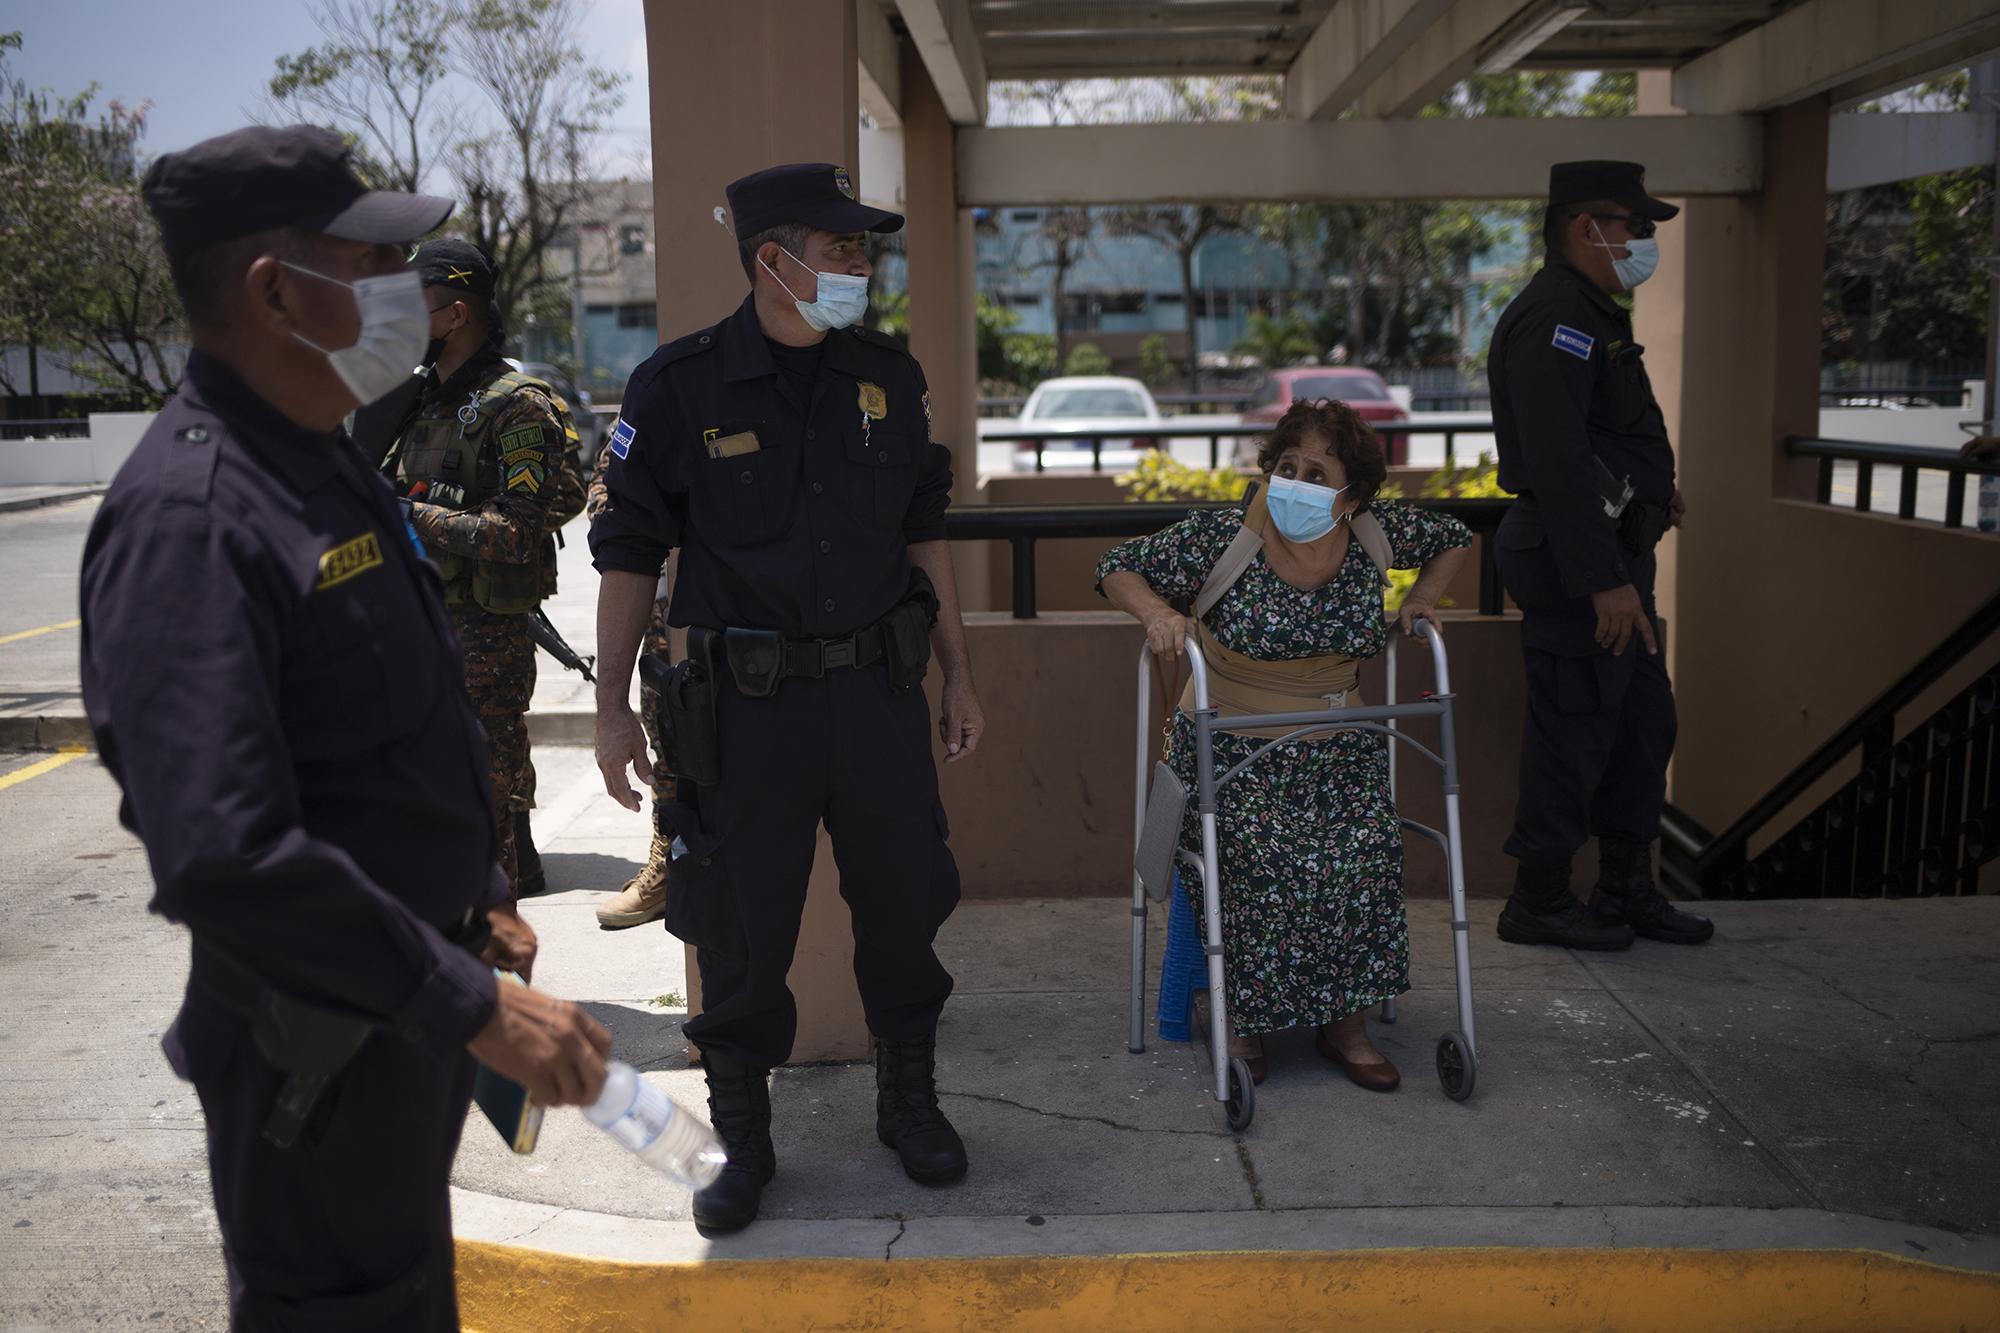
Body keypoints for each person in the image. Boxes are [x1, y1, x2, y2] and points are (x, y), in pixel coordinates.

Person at [79, 124, 611, 1330]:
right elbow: (223, 850)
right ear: (276, 289)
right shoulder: (192, 517)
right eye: (374, 269)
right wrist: (468, 1000)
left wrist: (481, 897)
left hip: (401, 1015)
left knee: (407, 1294)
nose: (402, 299)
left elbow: (412, 717)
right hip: (311, 1053)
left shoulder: (325, 463)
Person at [590, 162, 985, 1233]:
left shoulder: (887, 380)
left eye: (866, 248)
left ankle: (909, 1103)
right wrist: (612, 703)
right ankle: (741, 1140)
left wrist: (957, 668)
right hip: (743, 715)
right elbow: (628, 548)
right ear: (773, 260)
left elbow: (921, 531)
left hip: (875, 699)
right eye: (842, 246)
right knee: (737, 931)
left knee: (904, 907)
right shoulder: (677, 387)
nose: (862, 263)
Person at [1099, 399, 1471, 1088]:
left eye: (1316, 472)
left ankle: (1344, 1024)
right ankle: (1239, 1020)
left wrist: (1422, 599)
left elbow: (1455, 536)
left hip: (1336, 749)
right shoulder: (1224, 538)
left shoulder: (1376, 535)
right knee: (1257, 850)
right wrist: (1157, 611)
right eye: (1286, 466)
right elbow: (1118, 565)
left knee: (1364, 844)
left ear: (1351, 495)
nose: (1294, 481)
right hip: (1227, 745)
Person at [1486, 159, 1714, 950]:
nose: (1644, 240)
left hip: (1614, 558)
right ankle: (1540, 899)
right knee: (1576, 728)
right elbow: (1555, 460)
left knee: (1642, 723)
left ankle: (1625, 886)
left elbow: (1598, 437)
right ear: (1590, 229)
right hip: (1581, 568)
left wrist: (1653, 494)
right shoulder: (1557, 316)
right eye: (1636, 226)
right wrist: (1601, 579)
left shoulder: (1589, 310)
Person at [382, 237, 584, 898]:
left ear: (456, 312)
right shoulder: (422, 403)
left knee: (484, 812)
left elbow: (518, 534)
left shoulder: (516, 404)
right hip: (422, 625)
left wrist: (406, 516)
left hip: (484, 637)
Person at [584, 443, 674, 929]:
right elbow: (604, 487)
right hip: (664, 612)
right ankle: (668, 863)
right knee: (669, 746)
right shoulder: (662, 395)